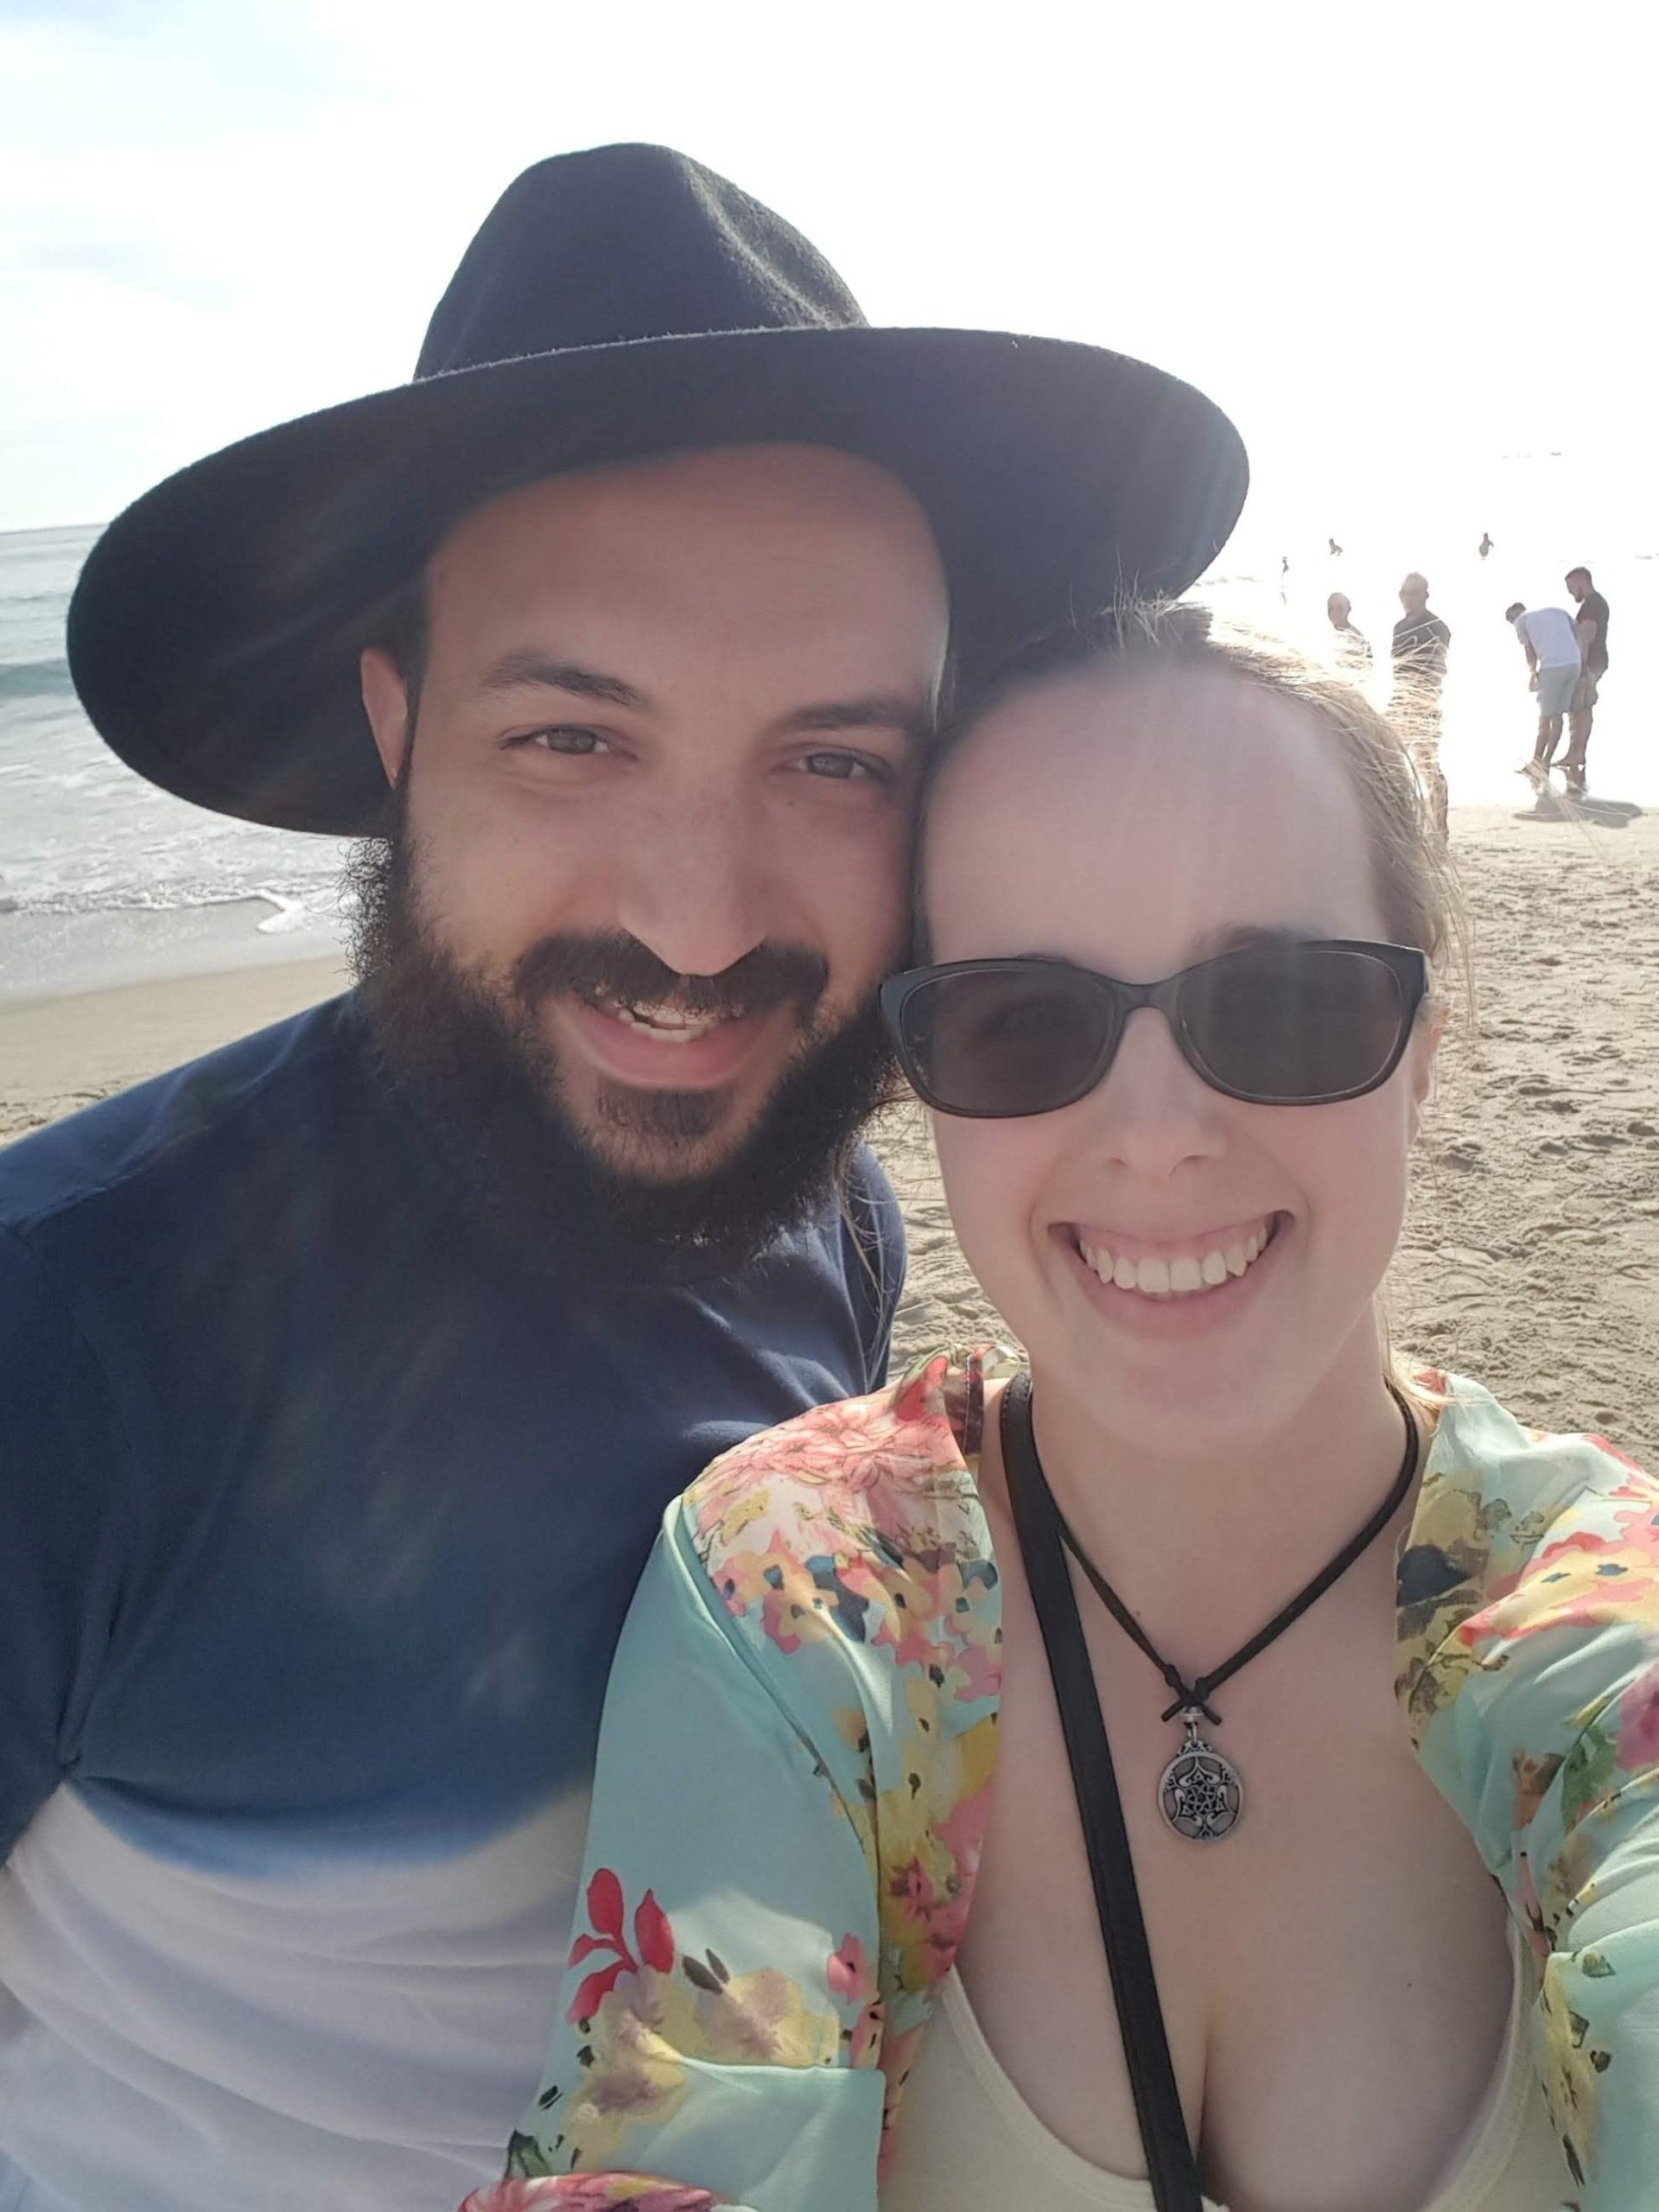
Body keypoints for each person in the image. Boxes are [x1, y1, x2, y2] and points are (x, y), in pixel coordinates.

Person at [0, 148, 1246, 2212]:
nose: (697, 925)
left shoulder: (824, 1202)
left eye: (835, 758)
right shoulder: (68, 1335)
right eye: (575, 739)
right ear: (395, 730)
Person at [483, 607, 1656, 2211]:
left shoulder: (1615, 1641)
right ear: (923, 1081)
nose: (1158, 1135)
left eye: (1289, 1000)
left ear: (1422, 1055)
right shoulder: (797, 1604)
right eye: (1023, 1021)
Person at [1391, 571, 1452, 836]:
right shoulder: (1398, 627)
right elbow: (1397, 670)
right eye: (1404, 593)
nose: (1407, 598)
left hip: (1426, 703)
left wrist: (1425, 696)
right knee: (1394, 763)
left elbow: (1440, 667)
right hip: (1401, 701)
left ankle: (1440, 826)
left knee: (1428, 764)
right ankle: (1407, 823)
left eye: (1413, 593)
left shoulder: (1436, 626)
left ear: (1425, 596)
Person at [1505, 601, 1584, 782]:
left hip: (1553, 666)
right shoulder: (1556, 610)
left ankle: (1537, 763)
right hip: (1574, 664)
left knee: (1545, 718)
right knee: (1557, 716)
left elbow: (1529, 650)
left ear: (1512, 616)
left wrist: (1533, 673)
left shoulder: (1520, 621)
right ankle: (1545, 761)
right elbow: (1577, 630)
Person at [1562, 565, 1611, 791]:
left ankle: (1577, 754)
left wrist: (1580, 668)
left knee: (1581, 707)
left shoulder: (1593, 605)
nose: (1570, 592)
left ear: (1581, 581)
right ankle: (1575, 752)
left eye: (1571, 587)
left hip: (1590, 662)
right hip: (1594, 660)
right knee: (1580, 708)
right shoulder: (1593, 604)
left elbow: (1587, 637)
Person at [1325, 589, 1370, 674]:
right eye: (1330, 608)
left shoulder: (1358, 639)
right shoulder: (1324, 637)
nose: (1334, 612)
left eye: (1339, 608)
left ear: (1348, 609)